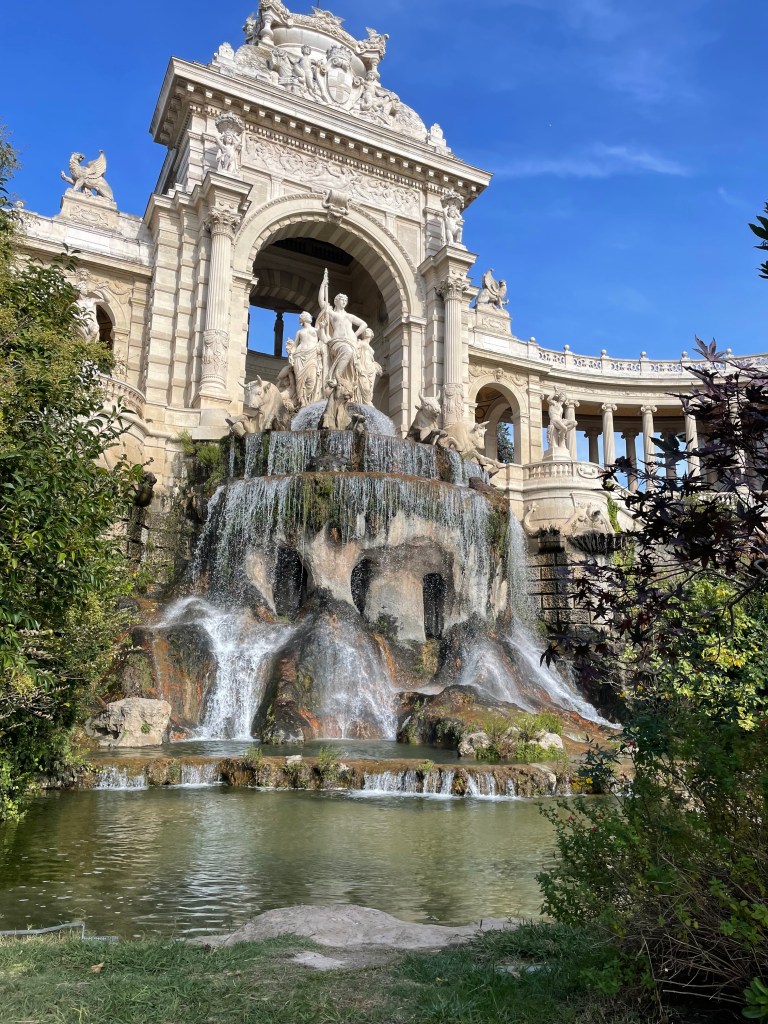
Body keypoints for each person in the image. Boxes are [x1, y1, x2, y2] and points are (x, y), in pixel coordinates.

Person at [316, 268, 368, 394]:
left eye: (345, 300)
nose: (343, 302)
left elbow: (364, 324)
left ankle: (341, 380)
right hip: (337, 341)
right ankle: (335, 377)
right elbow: (322, 301)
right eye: (341, 300)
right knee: (347, 352)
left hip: (350, 340)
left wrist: (355, 335)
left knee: (350, 355)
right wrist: (323, 284)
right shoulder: (332, 313)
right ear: (335, 301)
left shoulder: (350, 316)